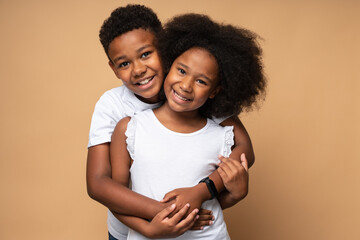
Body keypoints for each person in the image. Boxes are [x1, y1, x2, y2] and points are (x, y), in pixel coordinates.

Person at [86, 5, 256, 240]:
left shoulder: (193, 90)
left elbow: (244, 150)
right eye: (124, 64)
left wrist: (202, 191)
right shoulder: (115, 108)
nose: (138, 69)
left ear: (164, 49)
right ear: (114, 69)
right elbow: (98, 183)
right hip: (131, 229)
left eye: (146, 54)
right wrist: (166, 214)